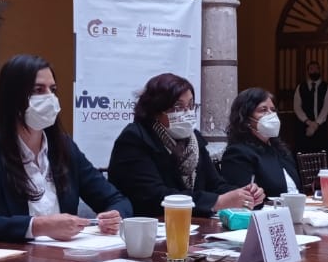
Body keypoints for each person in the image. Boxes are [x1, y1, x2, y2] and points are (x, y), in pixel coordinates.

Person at [0, 54, 130, 242]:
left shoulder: (65, 147)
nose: (49, 98)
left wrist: (115, 216)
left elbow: (118, 200)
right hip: (14, 256)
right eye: (38, 90)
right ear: (13, 97)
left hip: (67, 255)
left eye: (52, 90)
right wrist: (37, 226)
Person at [108, 73, 260, 217]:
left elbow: (216, 185)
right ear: (155, 110)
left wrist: (244, 194)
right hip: (149, 224)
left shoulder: (195, 140)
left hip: (193, 224)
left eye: (191, 106)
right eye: (177, 107)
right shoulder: (134, 139)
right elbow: (154, 196)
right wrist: (216, 202)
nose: (187, 112)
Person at [220, 87, 300, 201]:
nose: (271, 115)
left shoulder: (280, 150)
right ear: (246, 119)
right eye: (263, 110)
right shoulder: (238, 153)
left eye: (273, 110)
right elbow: (242, 199)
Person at [293, 60, 328, 160]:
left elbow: (326, 106)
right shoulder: (300, 87)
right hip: (304, 127)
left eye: (316, 69)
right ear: (307, 71)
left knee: (321, 155)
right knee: (304, 155)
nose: (314, 71)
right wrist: (308, 122)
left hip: (320, 127)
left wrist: (316, 124)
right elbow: (297, 107)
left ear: (320, 70)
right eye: (311, 69)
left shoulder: (327, 87)